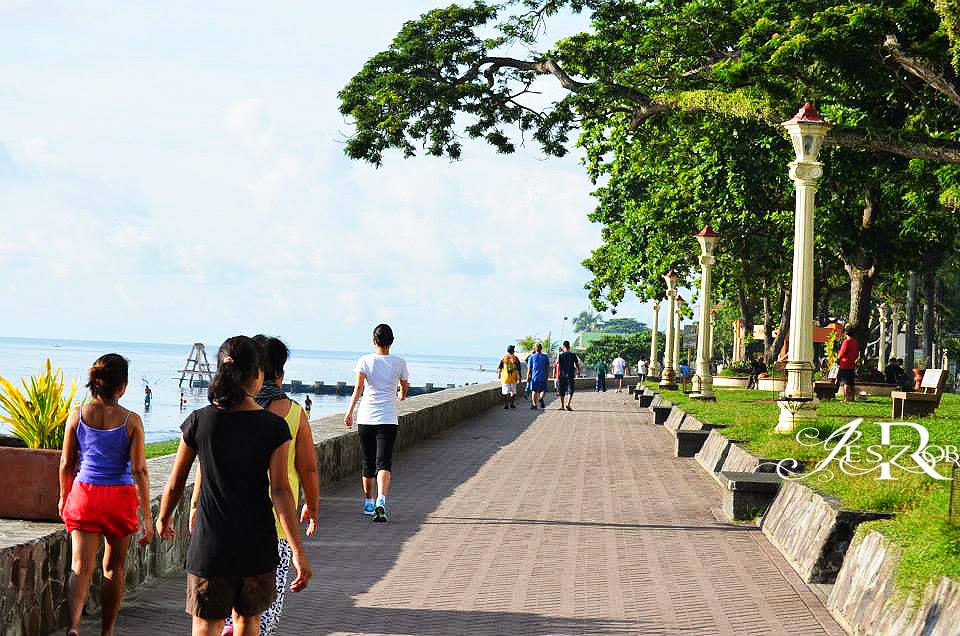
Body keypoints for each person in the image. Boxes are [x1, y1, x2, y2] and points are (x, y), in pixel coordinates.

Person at [157, 336, 312, 636]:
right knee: (248, 621)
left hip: (211, 543)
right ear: (258, 376)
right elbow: (280, 491)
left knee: (206, 624)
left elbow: (176, 481)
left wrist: (164, 517)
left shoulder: (200, 421)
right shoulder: (274, 427)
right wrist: (297, 550)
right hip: (257, 543)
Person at [213, 336, 320, 636]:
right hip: (275, 526)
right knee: (261, 611)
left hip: (228, 521)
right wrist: (312, 506)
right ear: (279, 373)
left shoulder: (226, 411)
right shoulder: (293, 413)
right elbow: (308, 468)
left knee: (224, 608)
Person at [59, 354, 153, 636]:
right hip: (119, 498)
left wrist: (64, 497)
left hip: (85, 495)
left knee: (80, 567)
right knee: (113, 568)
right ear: (122, 386)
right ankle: (107, 631)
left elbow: (66, 464)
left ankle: (74, 626)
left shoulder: (77, 415)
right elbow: (139, 469)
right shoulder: (131, 420)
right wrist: (147, 517)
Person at [343, 324, 409, 522]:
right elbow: (404, 387)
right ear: (392, 341)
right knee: (384, 462)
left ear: (374, 341)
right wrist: (401, 395)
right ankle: (381, 499)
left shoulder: (364, 361)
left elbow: (358, 389)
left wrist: (349, 413)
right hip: (388, 418)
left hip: (366, 417)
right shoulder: (399, 362)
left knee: (368, 461)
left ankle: (369, 502)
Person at [837, 324, 860, 402]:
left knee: (845, 382)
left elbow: (842, 353)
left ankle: (846, 398)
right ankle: (852, 398)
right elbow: (857, 354)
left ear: (846, 333)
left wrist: (838, 359)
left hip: (844, 364)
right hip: (852, 364)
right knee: (851, 382)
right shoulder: (855, 342)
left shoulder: (846, 342)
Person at [557, 341, 581, 411]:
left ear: (563, 347)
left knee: (562, 391)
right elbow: (577, 364)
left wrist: (557, 375)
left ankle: (562, 406)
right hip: (570, 375)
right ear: (569, 346)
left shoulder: (560, 355)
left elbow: (558, 366)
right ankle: (568, 404)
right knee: (570, 390)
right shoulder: (573, 355)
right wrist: (578, 371)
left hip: (562, 376)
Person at [497, 345, 522, 409]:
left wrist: (499, 375)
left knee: (505, 392)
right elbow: (519, 369)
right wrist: (520, 377)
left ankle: (506, 404)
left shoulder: (504, 358)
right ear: (513, 351)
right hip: (513, 378)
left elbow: (500, 368)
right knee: (513, 391)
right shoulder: (515, 358)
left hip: (505, 378)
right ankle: (512, 403)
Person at [526, 343, 550, 409]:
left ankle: (534, 405)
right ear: (541, 348)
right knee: (543, 390)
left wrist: (527, 376)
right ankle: (541, 398)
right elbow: (547, 368)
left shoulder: (531, 357)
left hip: (534, 377)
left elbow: (529, 369)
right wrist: (547, 375)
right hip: (543, 376)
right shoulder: (545, 357)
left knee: (534, 390)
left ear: (535, 348)